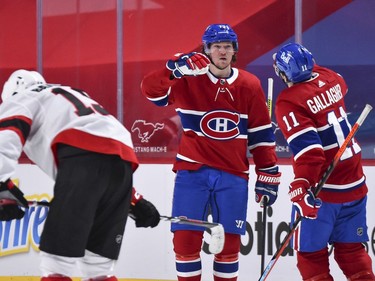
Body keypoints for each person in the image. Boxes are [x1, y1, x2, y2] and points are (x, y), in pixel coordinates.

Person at [140, 23, 281, 281]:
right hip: (191, 174)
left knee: (228, 250)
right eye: (216, 46)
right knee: (184, 244)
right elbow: (150, 91)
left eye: (227, 46)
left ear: (235, 50)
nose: (222, 51)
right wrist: (171, 70)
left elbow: (261, 135)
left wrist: (268, 173)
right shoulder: (188, 80)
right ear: (207, 50)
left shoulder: (250, 85)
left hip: (233, 175)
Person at [0, 69, 160, 281]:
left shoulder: (23, 97)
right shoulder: (69, 95)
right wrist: (133, 199)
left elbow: (5, 139)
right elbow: (101, 156)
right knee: (98, 266)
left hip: (81, 158)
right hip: (122, 162)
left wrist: (2, 186)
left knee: (57, 262)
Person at [273, 43, 375, 280]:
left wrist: (301, 185)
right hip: (354, 181)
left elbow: (311, 154)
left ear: (282, 73)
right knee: (351, 251)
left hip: (324, 190)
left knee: (311, 256)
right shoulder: (333, 78)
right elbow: (327, 83)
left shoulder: (288, 101)